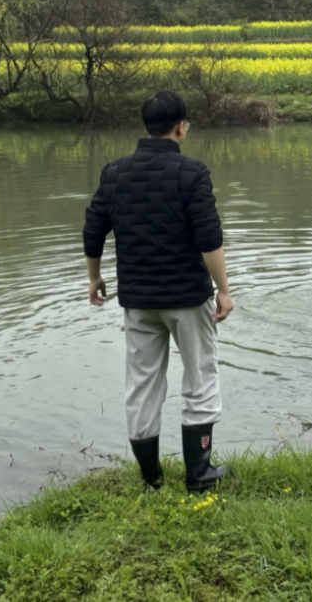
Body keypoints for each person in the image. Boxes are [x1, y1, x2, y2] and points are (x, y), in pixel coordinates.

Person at [83, 90, 232, 493]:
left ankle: (151, 480)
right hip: (187, 298)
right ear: (181, 128)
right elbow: (209, 237)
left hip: (139, 301)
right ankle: (199, 475)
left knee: (142, 385)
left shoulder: (114, 173)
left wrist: (94, 278)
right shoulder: (192, 173)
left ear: (145, 127)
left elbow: (93, 228)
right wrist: (223, 289)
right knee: (200, 379)